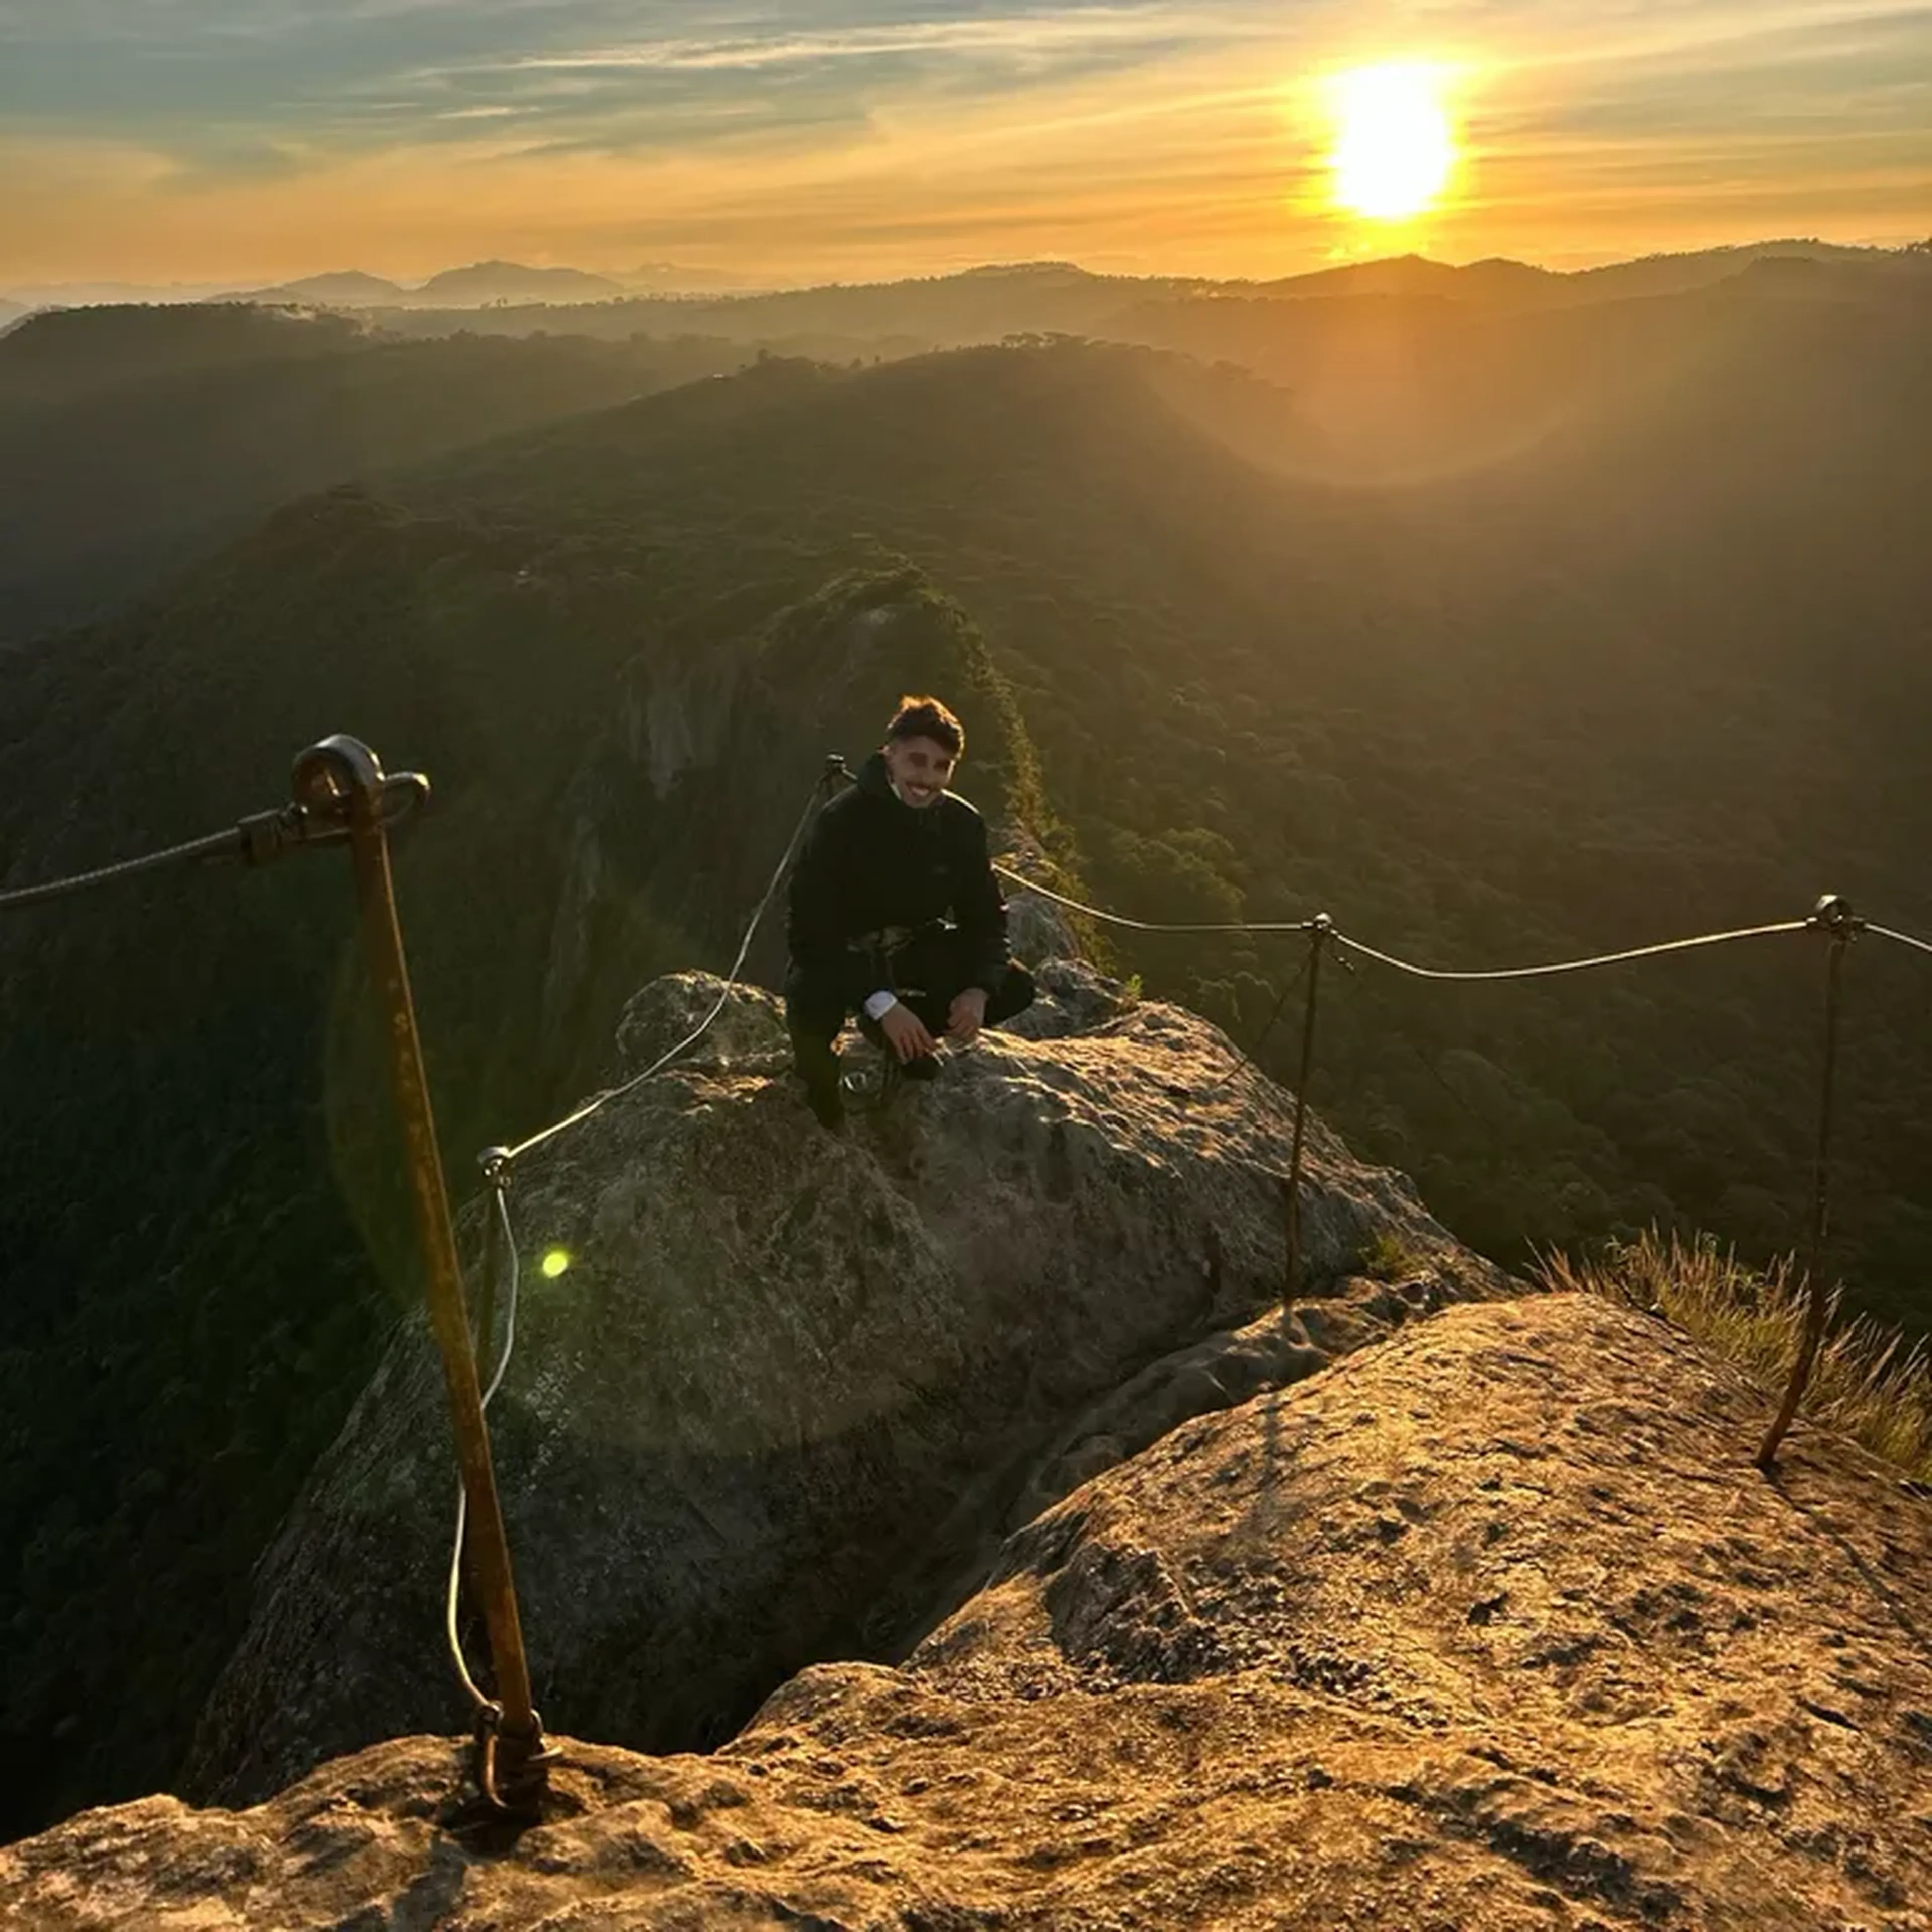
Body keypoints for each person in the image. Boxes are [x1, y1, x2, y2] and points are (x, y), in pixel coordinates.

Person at [785, 694, 1036, 1131]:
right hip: (843, 954)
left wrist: (978, 989)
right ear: (890, 754)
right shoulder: (841, 822)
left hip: (915, 946)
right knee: (811, 1021)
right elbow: (809, 931)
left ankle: (902, 1039)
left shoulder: (961, 825)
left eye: (942, 767)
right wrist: (881, 1002)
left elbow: (985, 917)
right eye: (917, 761)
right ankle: (836, 1070)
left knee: (1013, 986)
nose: (928, 778)